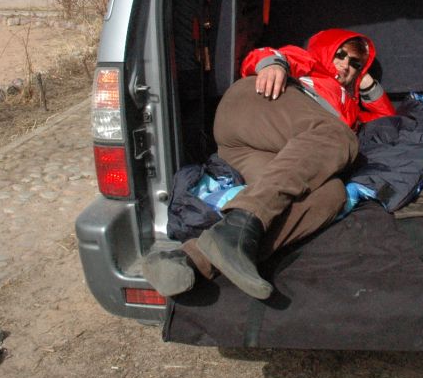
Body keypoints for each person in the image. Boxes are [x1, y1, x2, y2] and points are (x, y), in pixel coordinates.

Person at [144, 28, 395, 299]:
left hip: (251, 152)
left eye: (355, 63)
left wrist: (367, 85)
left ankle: (194, 258)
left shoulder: (351, 107)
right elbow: (268, 55)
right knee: (341, 137)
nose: (345, 64)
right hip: (255, 104)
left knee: (331, 194)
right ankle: (241, 222)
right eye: (340, 55)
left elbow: (389, 123)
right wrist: (273, 65)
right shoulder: (311, 65)